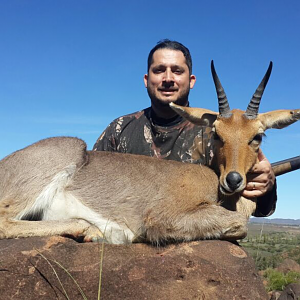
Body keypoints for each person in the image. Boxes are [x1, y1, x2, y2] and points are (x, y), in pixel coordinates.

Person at [93, 39, 276, 217]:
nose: (167, 79)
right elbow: (91, 180)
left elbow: (258, 207)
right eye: (159, 70)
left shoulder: (217, 134)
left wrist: (266, 185)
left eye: (177, 71)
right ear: (147, 79)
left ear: (191, 80)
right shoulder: (120, 129)